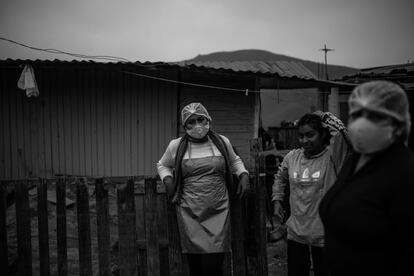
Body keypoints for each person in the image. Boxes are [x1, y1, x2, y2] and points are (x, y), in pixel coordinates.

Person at [319, 80, 414, 276]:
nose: (362, 122)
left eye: (373, 116)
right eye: (357, 114)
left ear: (397, 122)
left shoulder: (404, 174)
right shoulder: (355, 162)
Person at [156, 102, 249, 276]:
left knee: (213, 266)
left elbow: (235, 160)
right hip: (190, 210)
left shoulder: (221, 141)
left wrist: (243, 174)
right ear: (184, 125)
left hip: (218, 209)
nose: (197, 125)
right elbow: (162, 165)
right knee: (196, 266)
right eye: (191, 122)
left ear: (208, 120)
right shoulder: (176, 146)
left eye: (200, 119)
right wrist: (168, 180)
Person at [271, 111, 351, 276]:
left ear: (322, 134)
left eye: (310, 135)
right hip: (296, 233)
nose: (304, 140)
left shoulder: (333, 158)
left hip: (324, 235)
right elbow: (279, 178)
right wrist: (277, 200)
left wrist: (323, 116)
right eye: (301, 136)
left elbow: (343, 134)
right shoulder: (292, 157)